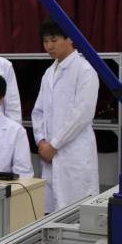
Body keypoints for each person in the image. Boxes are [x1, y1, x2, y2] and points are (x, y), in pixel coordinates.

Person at [31, 18, 100, 213]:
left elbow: (82, 114)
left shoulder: (85, 70)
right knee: (50, 211)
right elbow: (38, 111)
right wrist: (41, 141)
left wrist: (54, 144)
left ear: (69, 38)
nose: (49, 46)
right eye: (45, 41)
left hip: (73, 152)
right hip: (49, 154)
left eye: (54, 40)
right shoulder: (48, 73)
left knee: (77, 211)